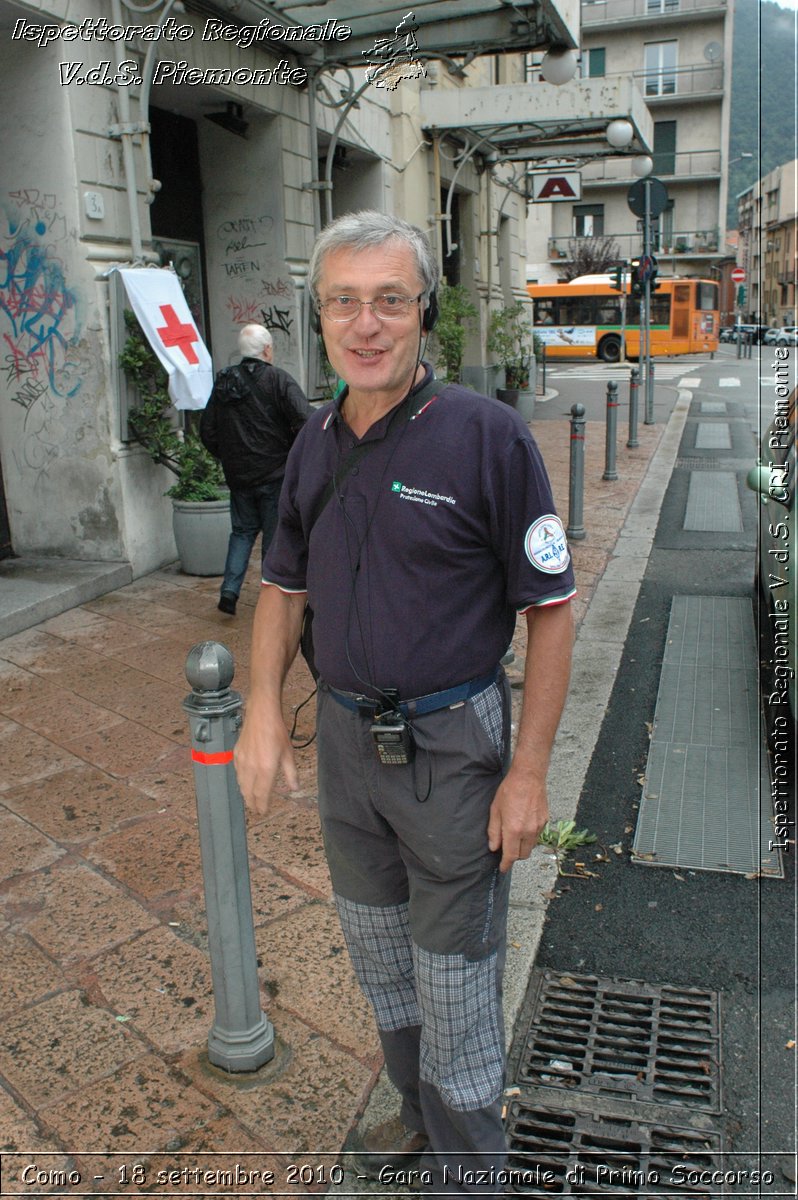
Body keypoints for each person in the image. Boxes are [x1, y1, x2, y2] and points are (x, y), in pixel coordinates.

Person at [234, 211, 575, 1194]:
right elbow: (282, 588)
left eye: (391, 298)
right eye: (345, 300)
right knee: (380, 953)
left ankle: (474, 1170)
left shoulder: (488, 439)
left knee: (457, 981)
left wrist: (529, 773)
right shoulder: (311, 444)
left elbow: (549, 612)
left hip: (454, 749)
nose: (367, 322)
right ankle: (415, 1111)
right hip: (346, 745)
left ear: (425, 314)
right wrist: (263, 706)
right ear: (320, 315)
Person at [200, 323, 310, 615]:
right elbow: (305, 420)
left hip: (239, 476)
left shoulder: (224, 381)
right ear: (267, 349)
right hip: (275, 474)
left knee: (242, 532)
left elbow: (207, 430)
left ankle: (229, 591)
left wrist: (228, 458)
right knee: (274, 538)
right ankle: (268, 597)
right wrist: (295, 458)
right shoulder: (278, 380)